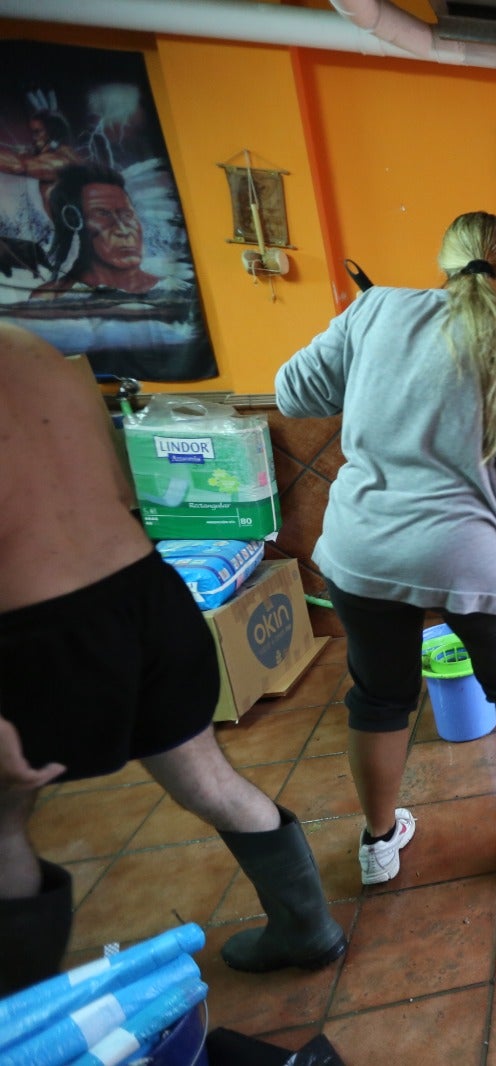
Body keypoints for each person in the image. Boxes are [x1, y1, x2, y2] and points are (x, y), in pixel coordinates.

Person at [0, 323, 346, 996]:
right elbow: (121, 487)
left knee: (3, 820)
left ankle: (29, 1021)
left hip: (36, 632)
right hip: (147, 598)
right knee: (209, 781)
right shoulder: (32, 350)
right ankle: (307, 927)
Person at [275, 210, 496, 886]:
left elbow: (292, 393)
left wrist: (373, 365)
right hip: (470, 555)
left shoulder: (373, 309)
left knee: (380, 698)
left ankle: (378, 844)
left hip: (366, 550)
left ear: (445, 263)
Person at [30, 164, 173, 298]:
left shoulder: (172, 289)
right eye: (103, 214)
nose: (123, 231)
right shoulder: (49, 298)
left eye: (127, 215)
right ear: (73, 220)